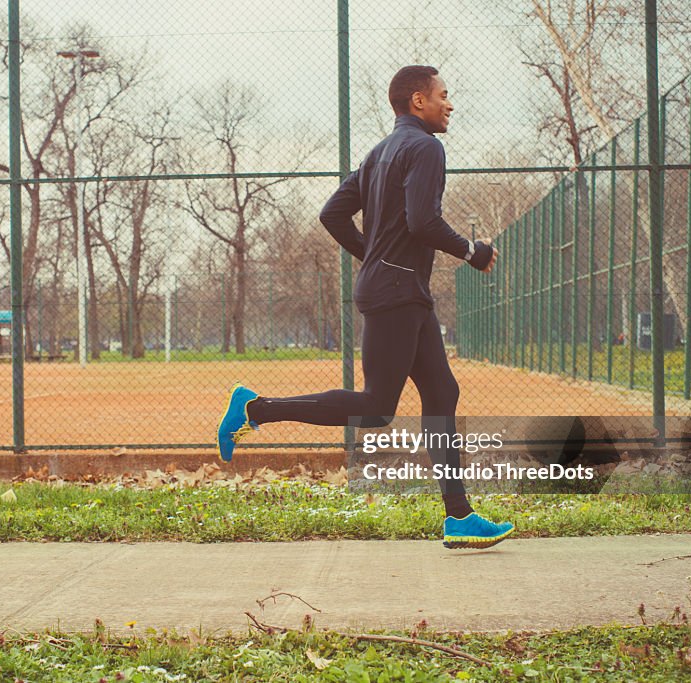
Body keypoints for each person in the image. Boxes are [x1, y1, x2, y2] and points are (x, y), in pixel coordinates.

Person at [216, 65, 514, 549]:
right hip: (397, 292)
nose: (450, 104)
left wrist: (373, 256)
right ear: (418, 101)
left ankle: (459, 516)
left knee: (442, 391)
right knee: (378, 407)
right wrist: (471, 251)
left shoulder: (380, 153)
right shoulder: (425, 147)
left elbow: (332, 214)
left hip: (400, 289)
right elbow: (423, 221)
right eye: (443, 95)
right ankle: (255, 409)